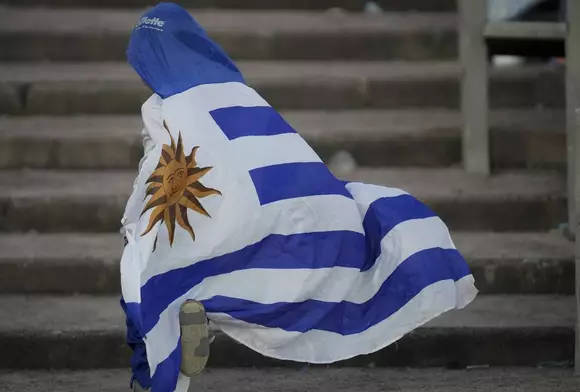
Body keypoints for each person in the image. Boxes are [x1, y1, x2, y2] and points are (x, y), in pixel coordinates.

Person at [120, 3, 478, 392]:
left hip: (220, 217)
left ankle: (154, 372)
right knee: (208, 272)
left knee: (146, 271)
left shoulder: (165, 107)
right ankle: (194, 311)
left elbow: (155, 180)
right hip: (297, 217)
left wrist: (134, 227)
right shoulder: (239, 93)